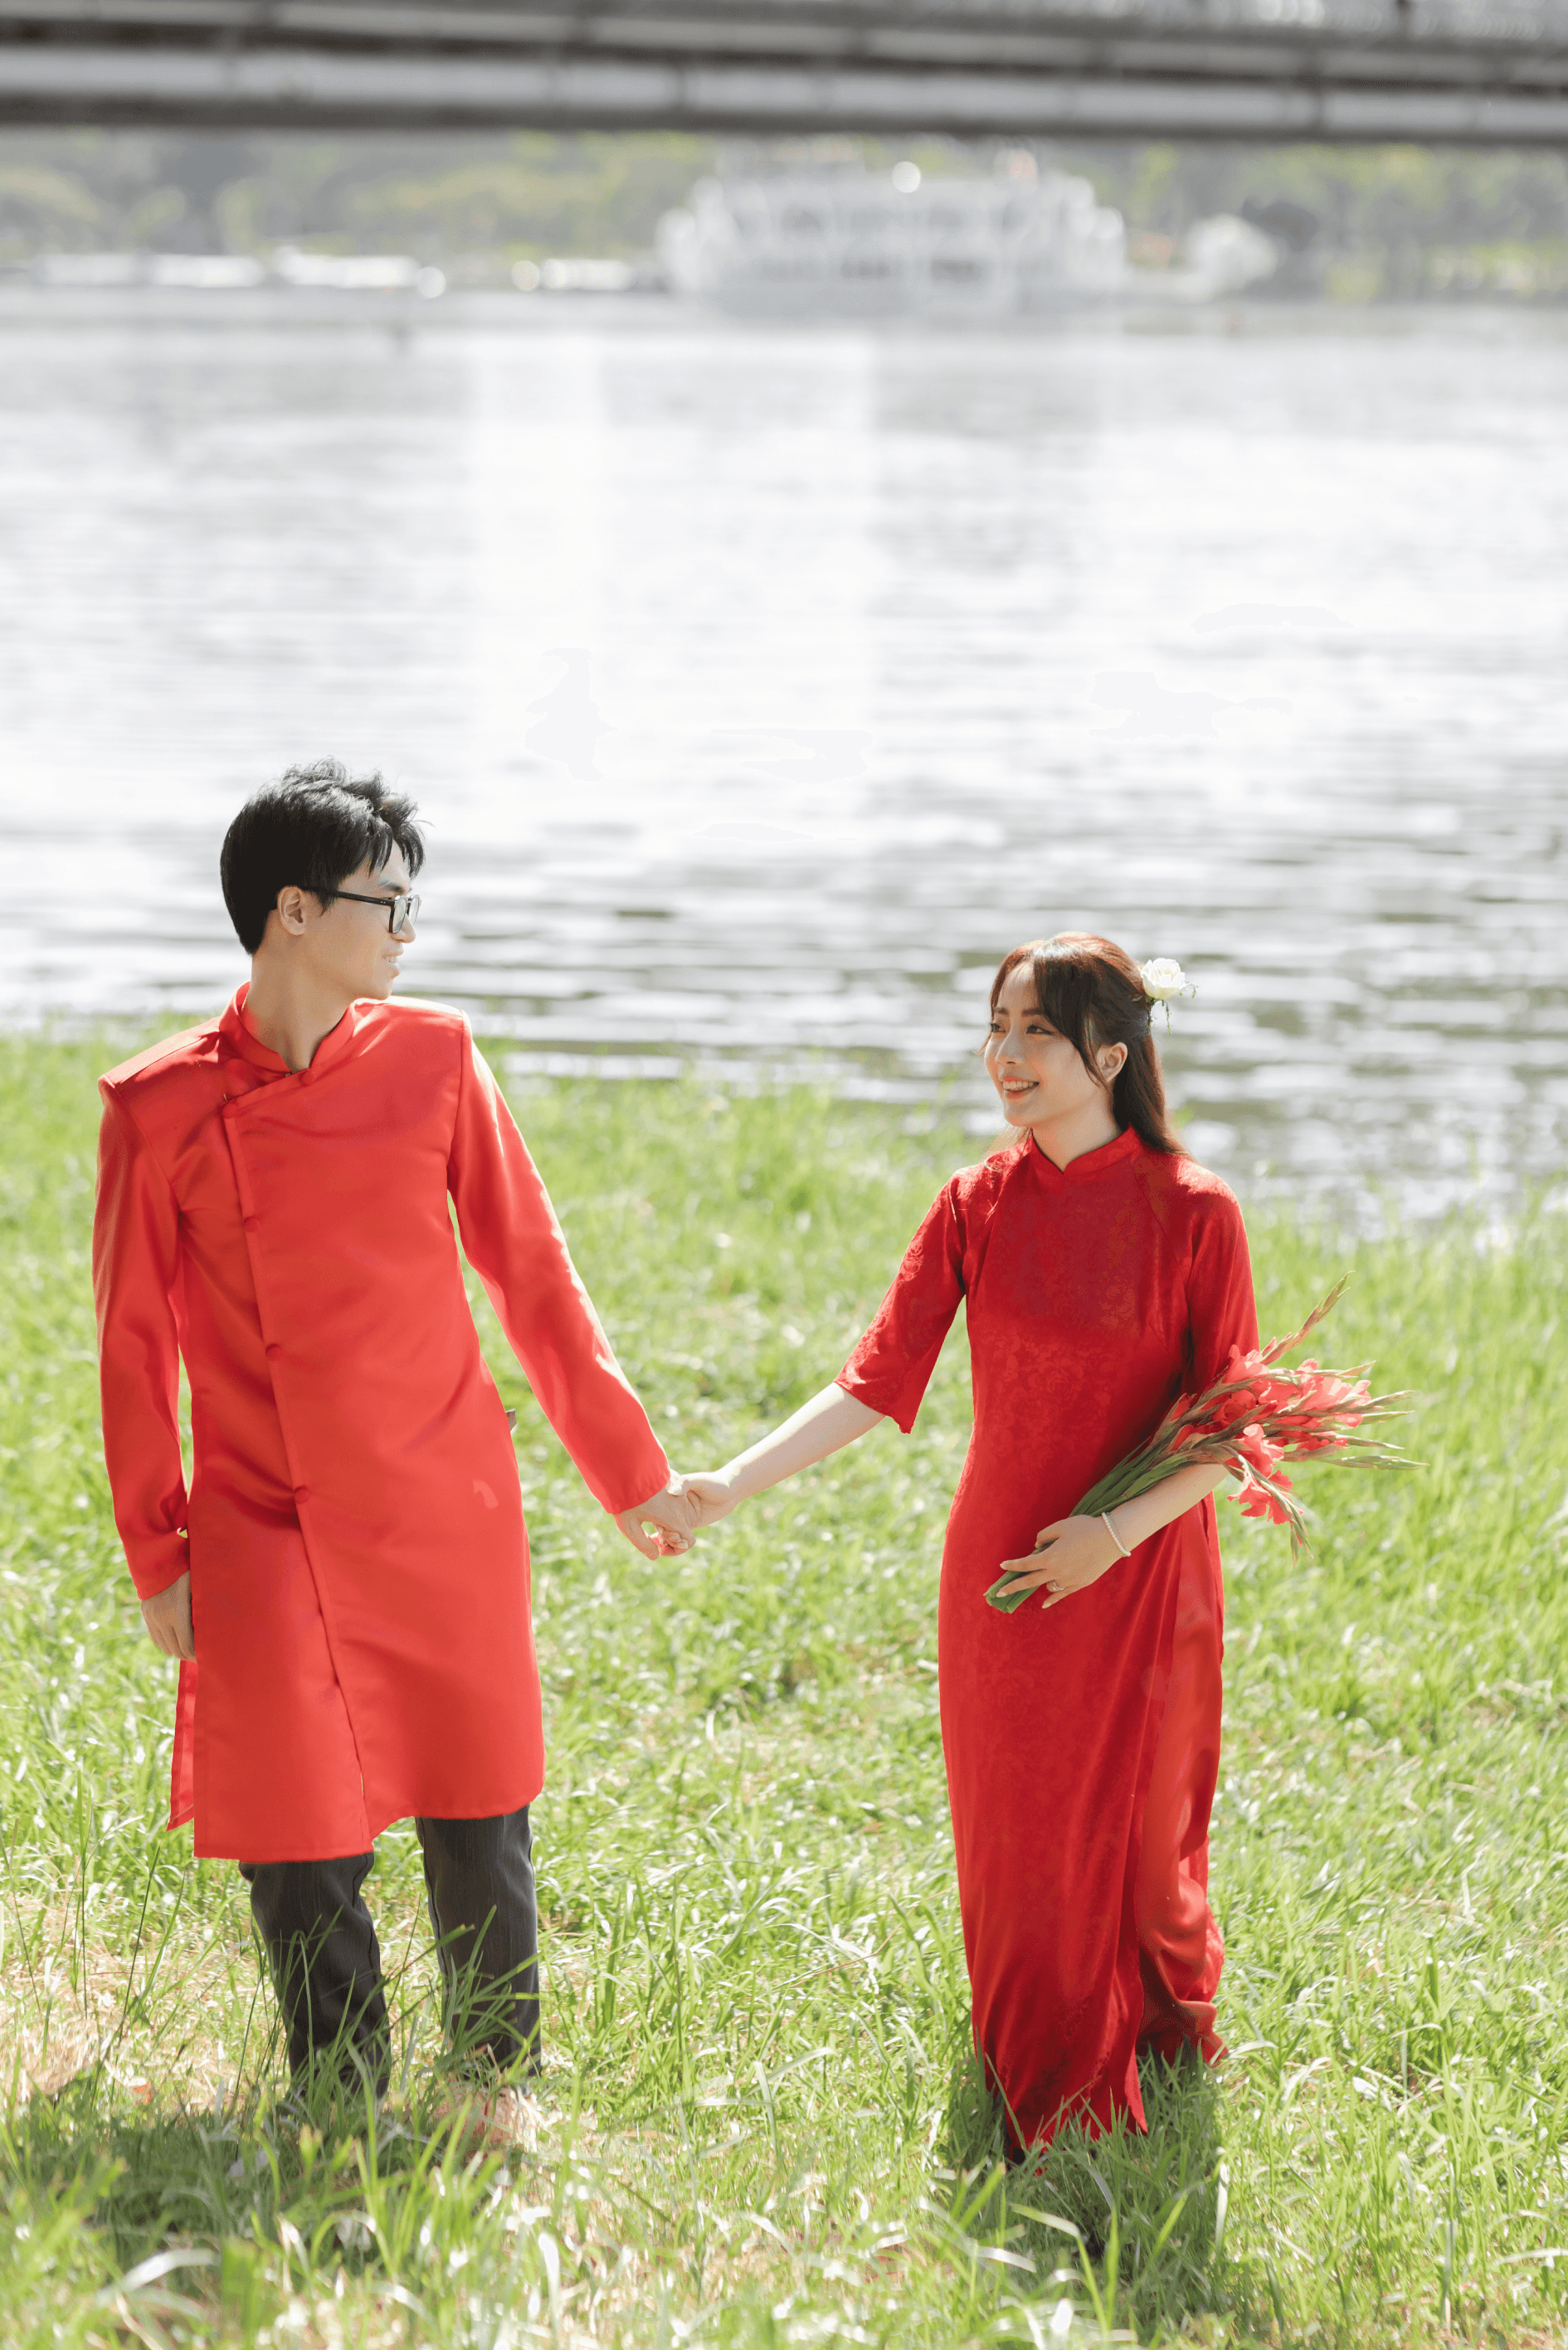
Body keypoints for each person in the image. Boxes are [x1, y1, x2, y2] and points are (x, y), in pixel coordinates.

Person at [92, 759, 692, 2106]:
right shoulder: (157, 1105)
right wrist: (159, 1552)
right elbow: (132, 1352)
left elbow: (531, 1275)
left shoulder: (435, 1058)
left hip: (439, 1494)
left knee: (477, 1798)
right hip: (263, 1514)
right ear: (295, 911)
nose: (406, 936)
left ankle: (493, 2087)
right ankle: (342, 2089)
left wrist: (631, 1474)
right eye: (389, 905)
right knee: (297, 1830)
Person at [678, 934, 1257, 2153]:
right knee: (1023, 1840)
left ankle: (1157, 2023)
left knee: (1149, 1840)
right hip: (1002, 1578)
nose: (1005, 1057)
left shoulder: (1193, 1212)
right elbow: (873, 1382)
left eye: (1034, 1031)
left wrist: (1110, 1532)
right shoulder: (973, 1203)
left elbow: (1230, 1433)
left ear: (1111, 1050)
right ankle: (1054, 2090)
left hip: (1139, 1569)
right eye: (996, 1029)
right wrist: (730, 1482)